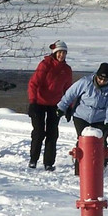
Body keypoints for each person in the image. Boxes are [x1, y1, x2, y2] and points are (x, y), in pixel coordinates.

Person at [59, 63, 108, 171]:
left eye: (105, 80)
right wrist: (61, 107)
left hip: (99, 119)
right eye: (100, 78)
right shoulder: (85, 82)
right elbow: (70, 94)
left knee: (101, 141)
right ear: (96, 75)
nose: (102, 81)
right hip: (81, 116)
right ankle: (80, 168)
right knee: (83, 140)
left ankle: (101, 167)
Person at [27, 40, 73, 171]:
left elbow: (68, 90)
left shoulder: (67, 69)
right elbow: (33, 84)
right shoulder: (45, 65)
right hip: (39, 103)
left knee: (52, 134)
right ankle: (33, 159)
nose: (61, 55)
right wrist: (32, 102)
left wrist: (69, 106)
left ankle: (49, 162)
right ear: (55, 53)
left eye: (64, 53)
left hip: (56, 104)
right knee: (39, 132)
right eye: (59, 53)